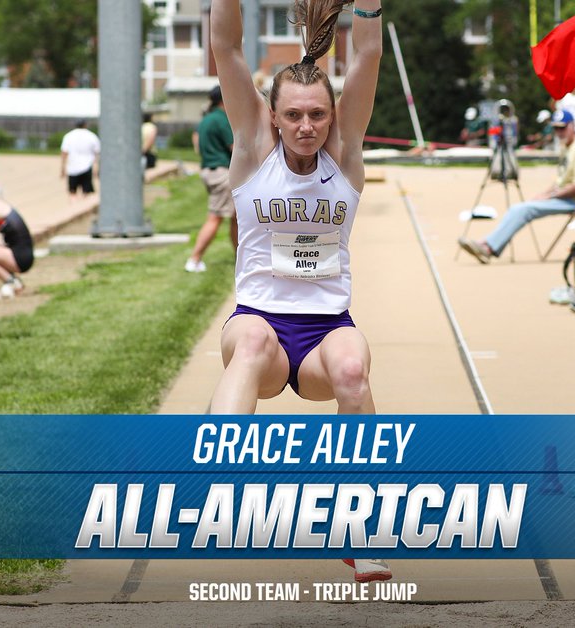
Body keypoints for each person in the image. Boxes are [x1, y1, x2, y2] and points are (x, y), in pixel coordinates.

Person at [210, 0, 389, 583]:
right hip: (258, 319)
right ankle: (221, 490)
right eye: (294, 116)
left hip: (324, 329)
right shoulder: (252, 152)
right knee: (255, 343)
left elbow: (367, 53)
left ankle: (359, 531)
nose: (307, 126)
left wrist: (368, 5)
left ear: (334, 118)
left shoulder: (345, 157)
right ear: (274, 117)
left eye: (318, 114)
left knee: (353, 370)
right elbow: (228, 49)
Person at [458, 109, 575, 262]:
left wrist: (549, 196)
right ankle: (486, 244)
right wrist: (542, 195)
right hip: (564, 198)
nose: (559, 132)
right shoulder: (567, 146)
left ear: (572, 126)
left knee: (523, 209)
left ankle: (487, 247)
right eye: (556, 128)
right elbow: (561, 181)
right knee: (520, 207)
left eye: (562, 128)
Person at [185, 85, 237, 273]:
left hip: (209, 170)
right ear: (223, 99)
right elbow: (235, 148)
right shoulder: (222, 119)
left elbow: (197, 144)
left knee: (235, 217)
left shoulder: (206, 119)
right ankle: (194, 259)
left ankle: (240, 258)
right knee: (215, 217)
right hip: (222, 172)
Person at [60, 119, 100, 200]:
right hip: (87, 167)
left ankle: (73, 207)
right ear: (85, 125)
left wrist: (62, 168)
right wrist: (97, 168)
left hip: (72, 168)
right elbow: (97, 153)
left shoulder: (69, 136)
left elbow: (64, 153)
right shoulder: (91, 136)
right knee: (86, 192)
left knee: (72, 192)